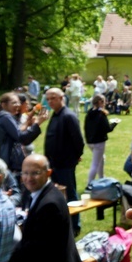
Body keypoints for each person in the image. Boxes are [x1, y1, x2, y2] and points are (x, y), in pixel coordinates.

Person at [44, 87, 84, 236]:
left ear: (61, 98)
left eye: (53, 98)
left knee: (70, 194)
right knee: (56, 194)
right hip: (53, 163)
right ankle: (61, 221)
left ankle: (75, 225)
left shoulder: (68, 116)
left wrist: (75, 156)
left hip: (65, 163)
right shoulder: (55, 115)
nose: (50, 101)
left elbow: (78, 140)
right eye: (48, 99)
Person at [0, 92, 47, 179]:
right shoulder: (5, 116)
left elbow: (18, 131)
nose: (18, 105)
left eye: (18, 102)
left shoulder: (7, 116)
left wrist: (30, 122)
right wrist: (37, 123)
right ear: (4, 105)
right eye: (14, 102)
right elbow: (21, 137)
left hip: (10, 159)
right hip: (11, 162)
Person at [84, 94, 119, 185]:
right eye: (104, 101)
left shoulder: (89, 112)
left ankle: (101, 178)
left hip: (90, 141)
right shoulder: (101, 114)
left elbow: (86, 127)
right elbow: (108, 129)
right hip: (98, 142)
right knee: (95, 163)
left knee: (101, 158)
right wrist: (115, 123)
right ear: (100, 102)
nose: (105, 103)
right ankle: (89, 184)